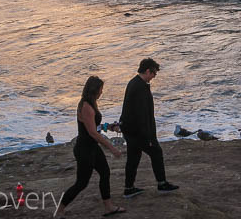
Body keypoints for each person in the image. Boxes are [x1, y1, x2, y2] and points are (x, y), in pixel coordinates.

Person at [55, 76, 125, 218]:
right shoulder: (86, 106)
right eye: (100, 90)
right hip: (84, 150)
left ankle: (109, 207)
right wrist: (111, 147)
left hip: (92, 148)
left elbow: (95, 126)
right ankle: (59, 210)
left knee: (105, 172)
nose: (101, 93)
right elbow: (92, 132)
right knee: (81, 183)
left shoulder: (91, 103)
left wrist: (109, 126)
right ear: (94, 90)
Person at [119, 58, 178, 198]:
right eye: (154, 73)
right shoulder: (139, 87)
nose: (154, 77)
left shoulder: (135, 83)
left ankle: (129, 188)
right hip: (138, 132)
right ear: (147, 71)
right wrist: (149, 137)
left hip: (130, 130)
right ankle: (162, 184)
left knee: (133, 159)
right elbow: (142, 115)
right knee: (156, 153)